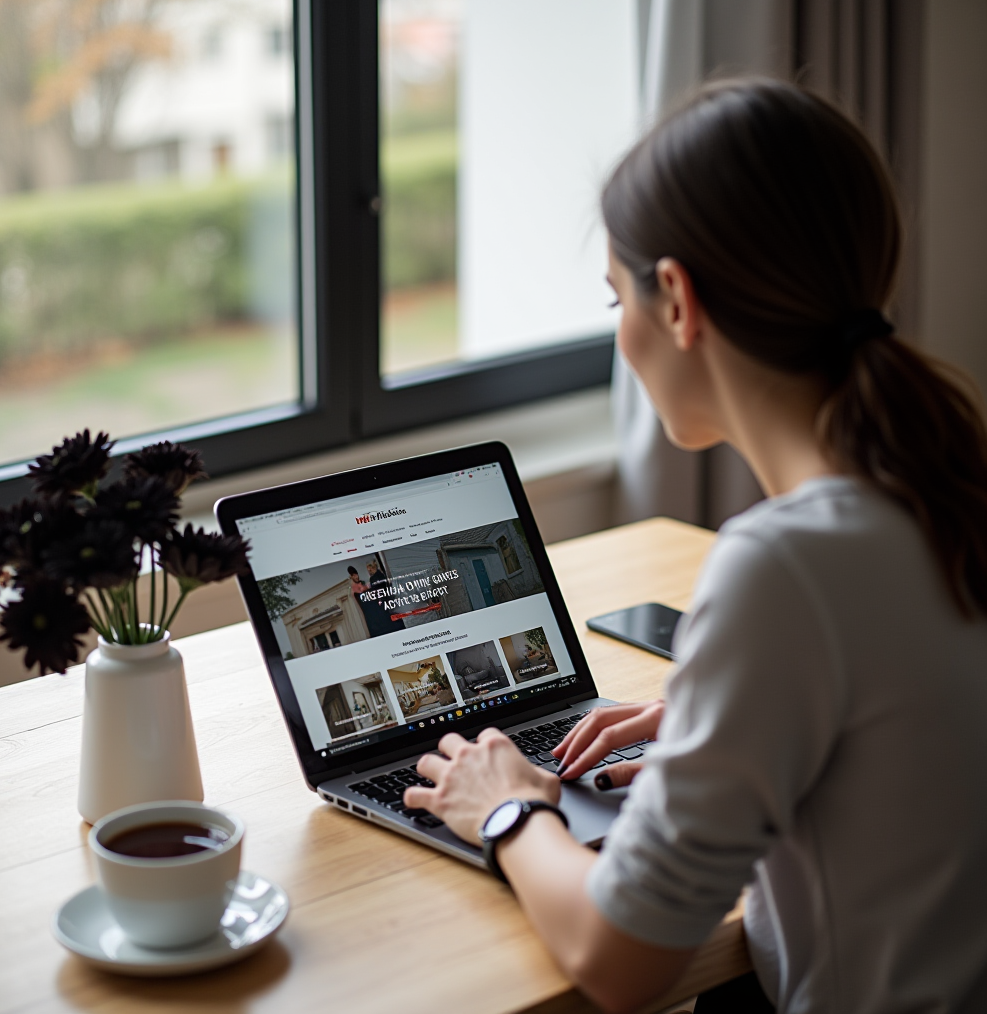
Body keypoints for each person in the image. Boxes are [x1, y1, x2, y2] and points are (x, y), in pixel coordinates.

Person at [403, 79, 987, 1013]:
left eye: (614, 304)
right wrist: (742, 721)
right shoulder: (948, 480)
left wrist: (507, 808)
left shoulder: (787, 567)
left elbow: (620, 961)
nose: (622, 336)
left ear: (675, 300)